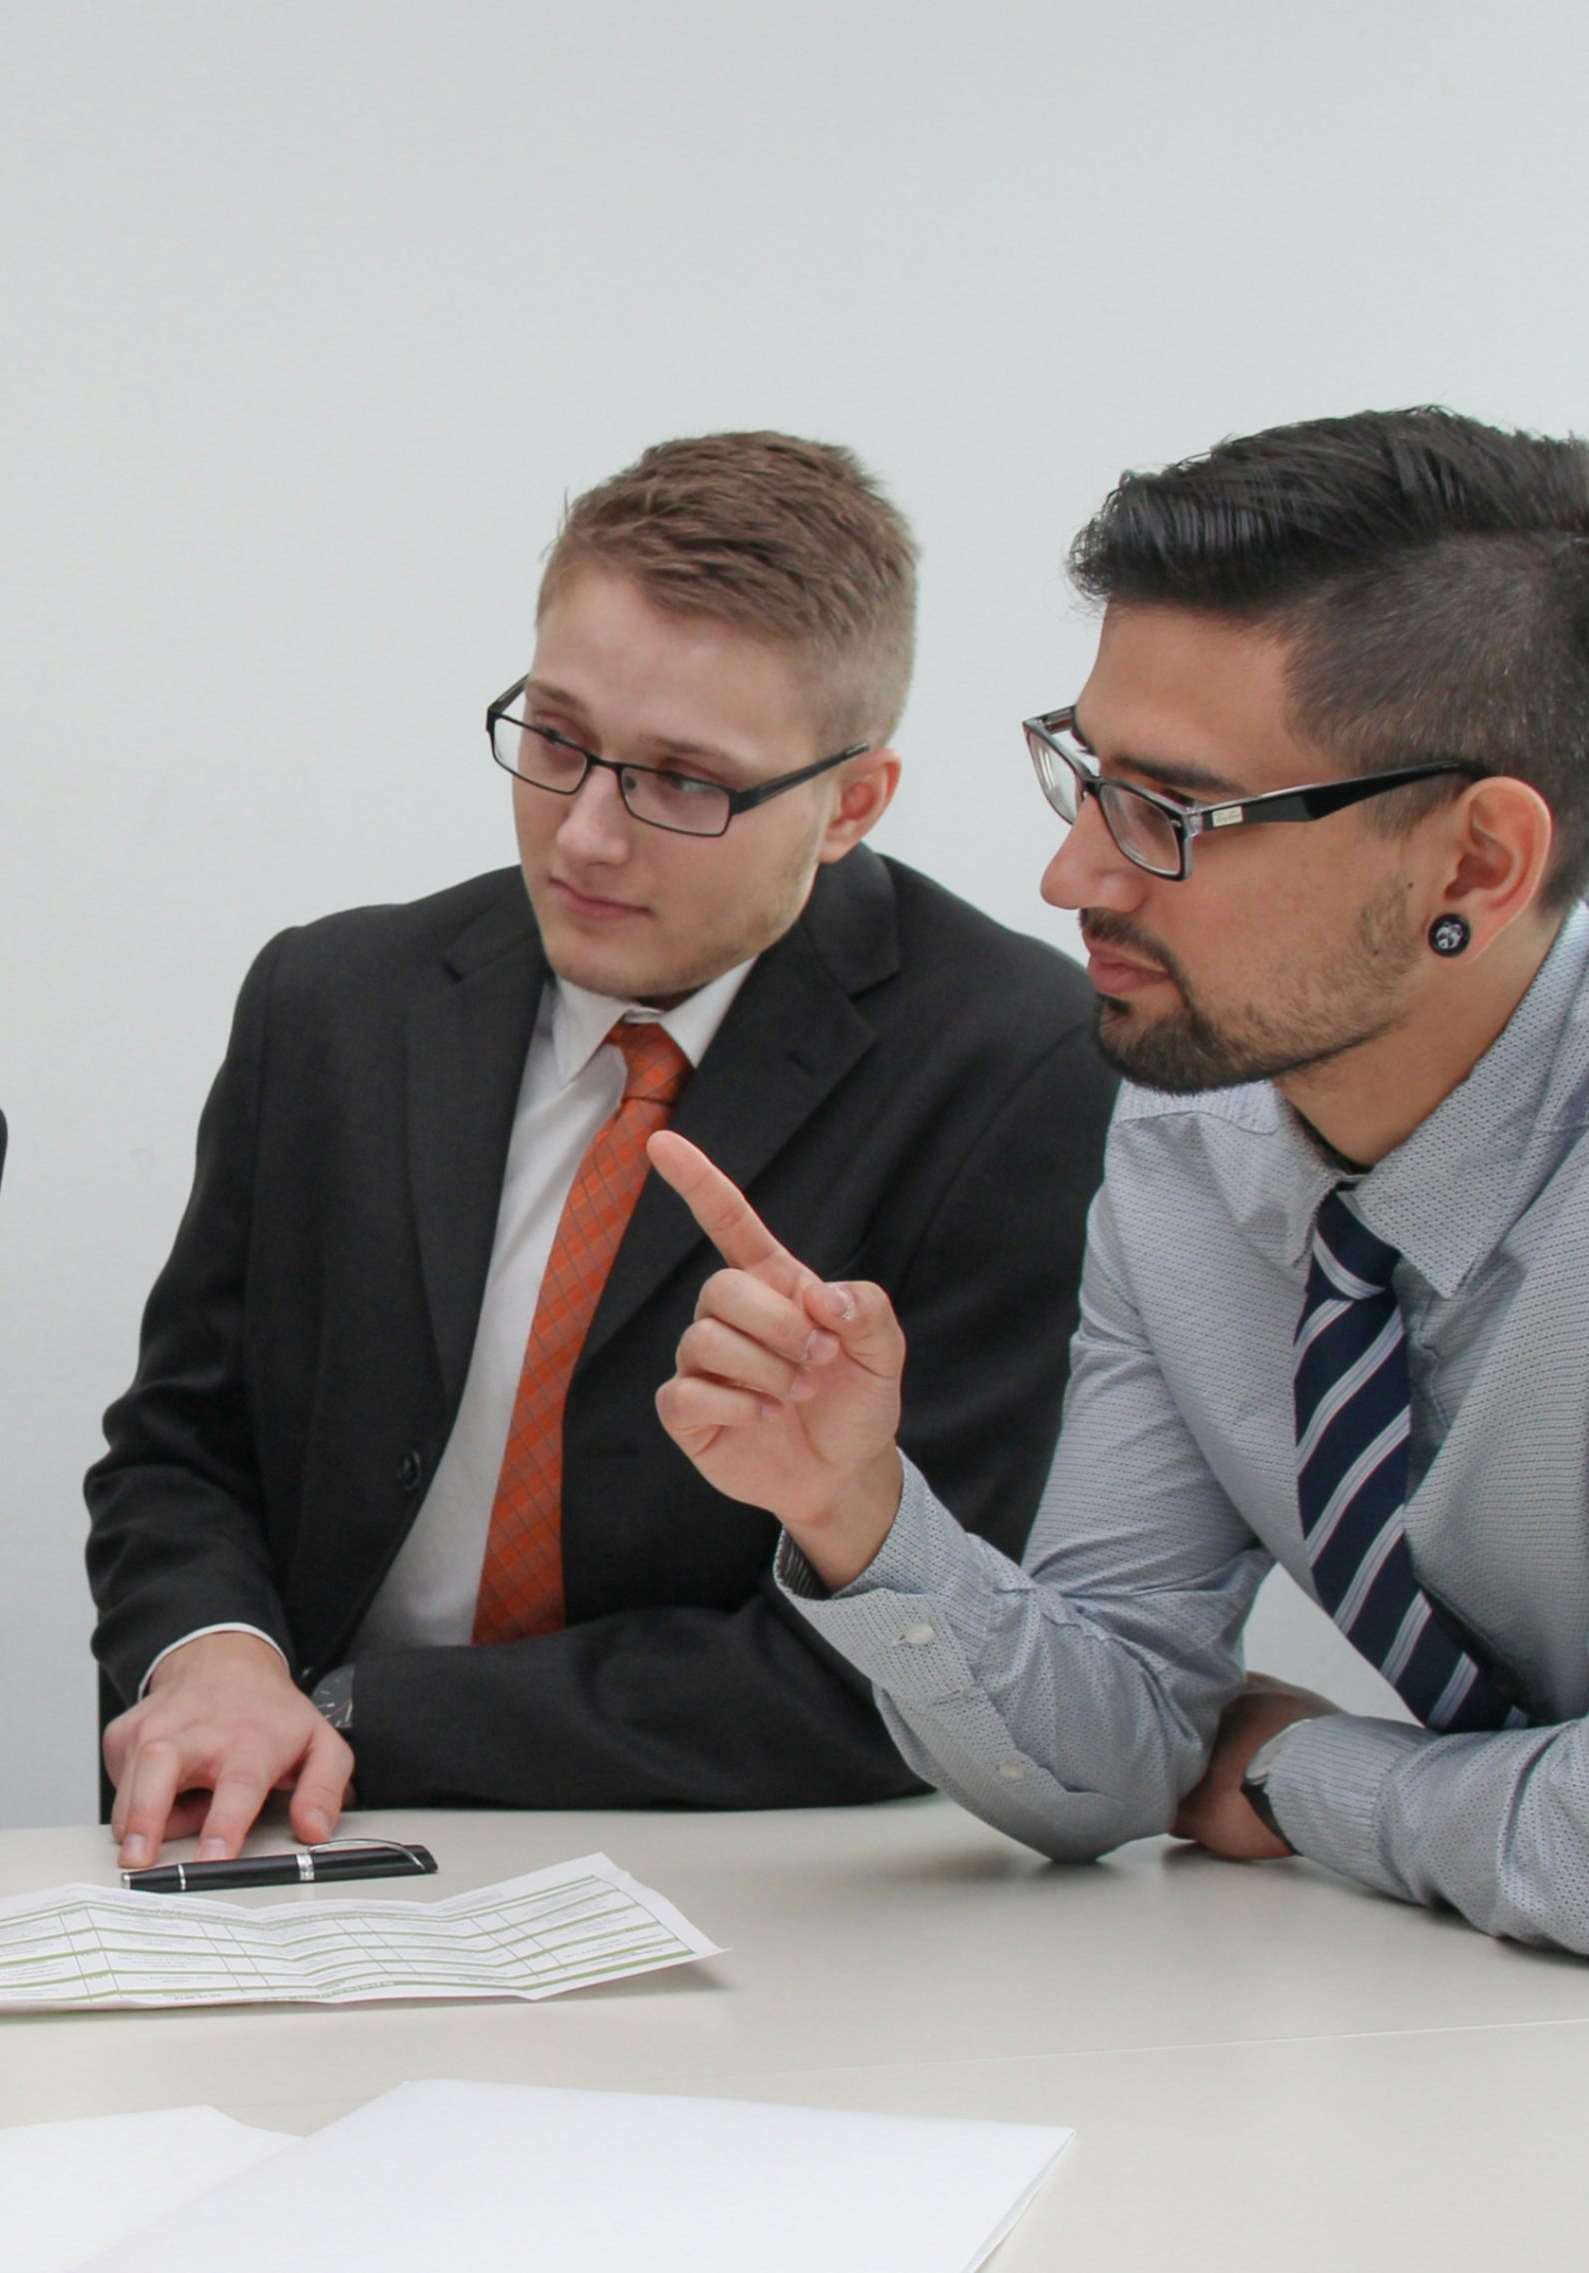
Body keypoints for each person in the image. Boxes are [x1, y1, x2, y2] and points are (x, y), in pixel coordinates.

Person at [656, 406, 1589, 1975]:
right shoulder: (1193, 1133)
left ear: (1475, 868)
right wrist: (858, 1509)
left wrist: (1297, 1772)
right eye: (1083, 777)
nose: (1072, 875)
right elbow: (1114, 1753)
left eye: (1170, 814)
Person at [85, 434, 1113, 1867]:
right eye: (555, 737)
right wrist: (212, 1663)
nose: (581, 834)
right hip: (289, 1850)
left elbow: (904, 1658)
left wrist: (354, 1711)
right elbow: (181, 1451)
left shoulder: (1016, 1065)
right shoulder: (333, 1002)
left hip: (761, 1881)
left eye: (682, 783)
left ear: (852, 804)